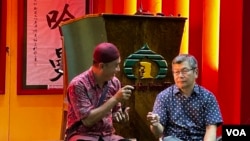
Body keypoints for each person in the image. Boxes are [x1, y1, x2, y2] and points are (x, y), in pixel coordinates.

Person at [65, 42, 134, 141]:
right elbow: (88, 121)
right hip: (83, 135)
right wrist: (115, 99)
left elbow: (114, 112)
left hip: (107, 136)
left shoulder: (114, 83)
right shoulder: (78, 84)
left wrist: (120, 116)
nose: (118, 69)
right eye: (116, 65)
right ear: (102, 66)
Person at [147, 54, 223, 141]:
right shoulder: (164, 96)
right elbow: (158, 133)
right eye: (176, 72)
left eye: (184, 71)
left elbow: (211, 129)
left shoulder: (208, 97)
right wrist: (156, 124)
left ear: (196, 72)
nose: (180, 76)